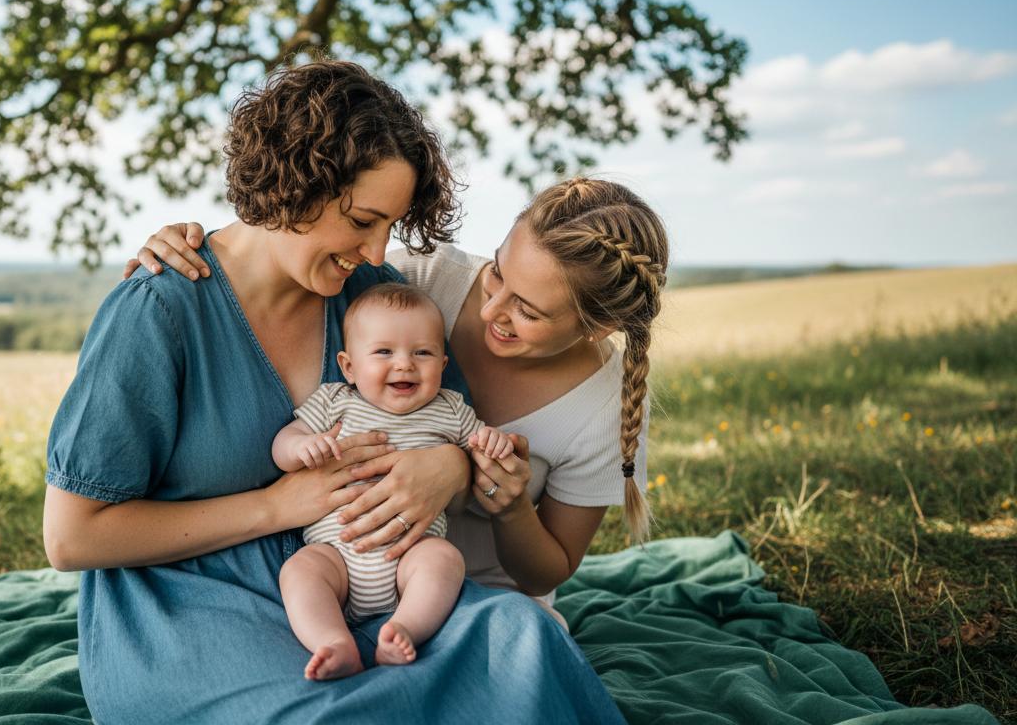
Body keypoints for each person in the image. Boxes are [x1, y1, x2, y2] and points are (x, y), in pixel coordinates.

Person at [43, 60, 625, 724]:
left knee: (526, 643)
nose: (378, 247)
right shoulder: (159, 310)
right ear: (297, 183)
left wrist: (451, 464)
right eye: (361, 220)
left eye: (391, 226)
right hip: (184, 612)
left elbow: (445, 422)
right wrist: (274, 507)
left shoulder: (363, 297)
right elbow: (70, 539)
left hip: (367, 589)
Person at [123, 176, 668, 617]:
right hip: (345, 568)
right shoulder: (419, 281)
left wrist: (511, 511)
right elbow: (289, 265)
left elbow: (549, 569)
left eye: (527, 311)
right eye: (496, 273)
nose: (490, 310)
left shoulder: (602, 408)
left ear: (599, 327)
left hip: (482, 596)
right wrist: (202, 251)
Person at [275, 282, 516, 680]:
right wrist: (301, 448)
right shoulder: (335, 400)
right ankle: (333, 640)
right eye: (384, 352)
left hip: (410, 554)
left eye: (422, 352)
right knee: (299, 571)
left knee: (444, 559)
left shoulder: (451, 409)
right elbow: (284, 442)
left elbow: (479, 452)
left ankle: (405, 627)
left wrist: (491, 442)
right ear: (349, 366)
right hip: (337, 554)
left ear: (442, 364)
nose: (404, 364)